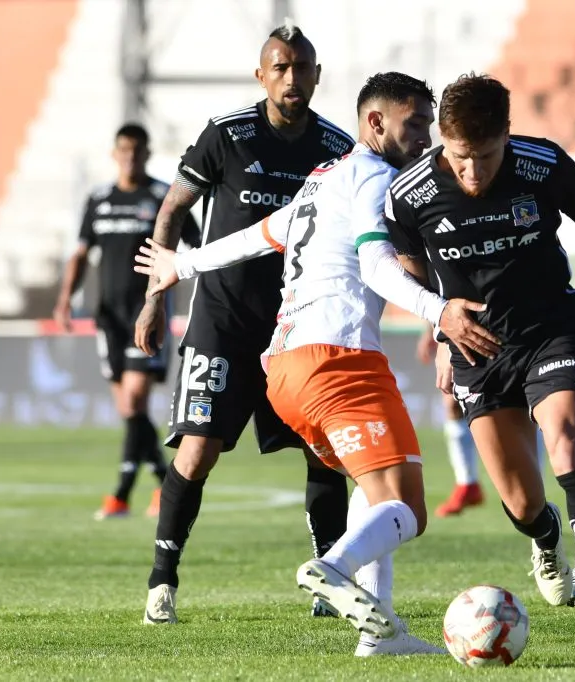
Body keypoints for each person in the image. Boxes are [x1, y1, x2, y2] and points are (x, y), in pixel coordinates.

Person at [135, 71, 498, 656]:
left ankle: (379, 634)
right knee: (407, 507)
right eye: (415, 124)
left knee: (372, 487)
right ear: (375, 123)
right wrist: (440, 314)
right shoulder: (376, 178)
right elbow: (378, 266)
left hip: (285, 370)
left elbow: (259, 235)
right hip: (340, 361)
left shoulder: (322, 179)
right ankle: (331, 569)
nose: (426, 137)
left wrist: (184, 264)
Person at [385, 73, 575, 654]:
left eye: (485, 156)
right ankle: (545, 537)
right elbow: (406, 263)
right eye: (459, 158)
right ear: (443, 144)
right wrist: (441, 327)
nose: (472, 171)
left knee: (567, 446)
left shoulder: (542, 164)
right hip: (478, 350)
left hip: (550, 330)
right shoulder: (410, 193)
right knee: (523, 503)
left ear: (507, 133)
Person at [133, 22, 355, 624]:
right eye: (278, 68)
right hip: (223, 320)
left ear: (316, 76)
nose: (290, 78)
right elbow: (175, 207)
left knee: (323, 450)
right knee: (198, 449)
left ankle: (329, 581)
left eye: (300, 68)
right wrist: (157, 296)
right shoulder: (227, 136)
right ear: (262, 76)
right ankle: (162, 580)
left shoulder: (337, 150)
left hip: (297, 324)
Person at [54, 123, 200, 520]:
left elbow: (195, 246)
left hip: (146, 314)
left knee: (135, 400)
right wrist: (66, 298)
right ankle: (161, 482)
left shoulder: (162, 199)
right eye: (123, 150)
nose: (130, 157)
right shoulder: (99, 199)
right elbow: (81, 253)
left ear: (147, 154)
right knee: (128, 409)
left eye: (137, 151)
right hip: (109, 320)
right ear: (114, 153)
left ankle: (120, 493)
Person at [416, 325, 484, 516]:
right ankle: (467, 484)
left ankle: (534, 486)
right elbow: (437, 293)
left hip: (501, 321)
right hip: (456, 324)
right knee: (452, 400)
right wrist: (430, 332)